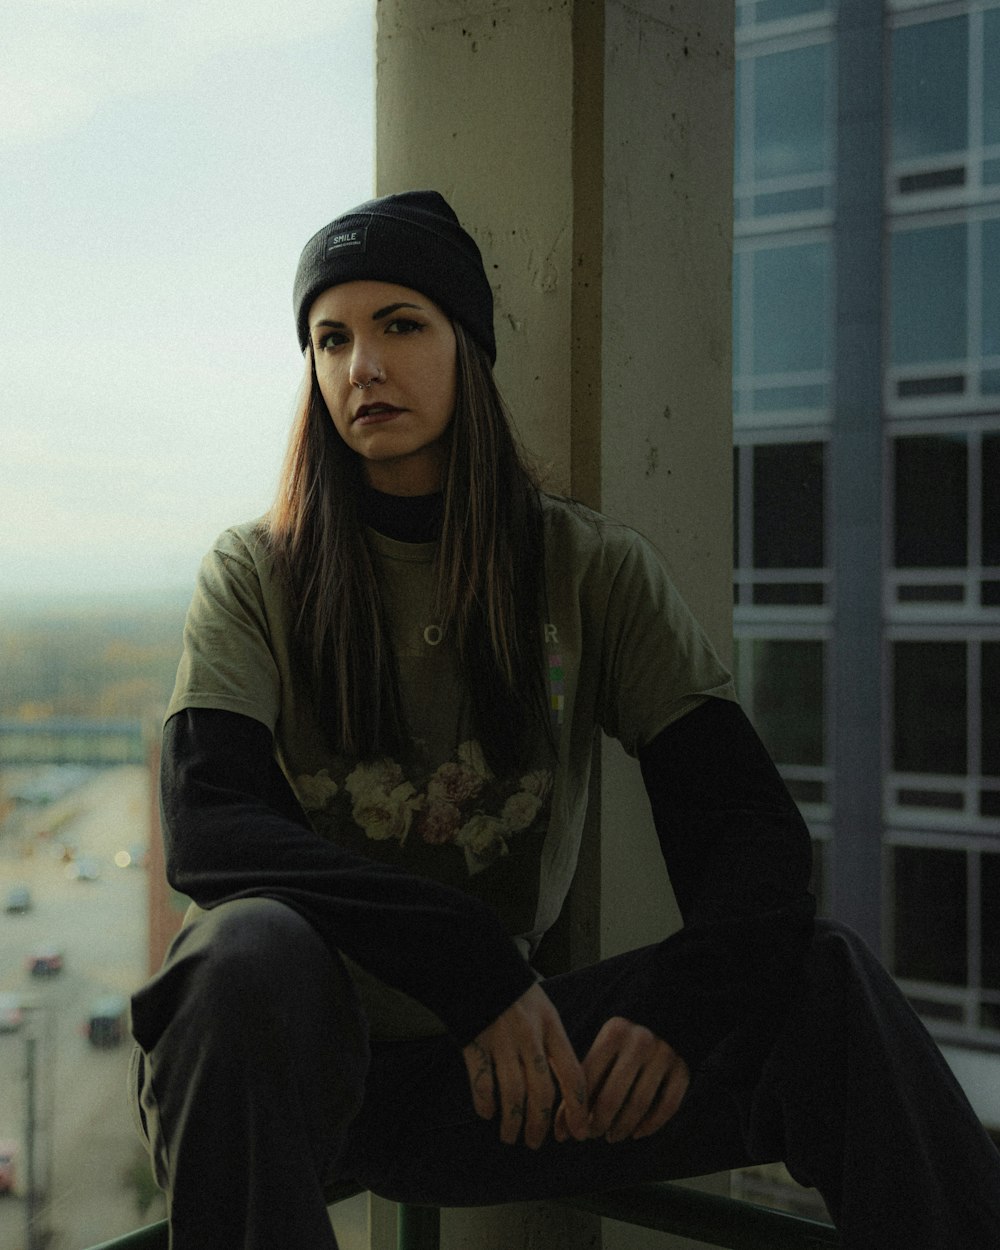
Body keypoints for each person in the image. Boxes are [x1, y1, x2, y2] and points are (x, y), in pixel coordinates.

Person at [128, 190, 1000, 1249]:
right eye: (331, 336)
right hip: (300, 1086)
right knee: (238, 953)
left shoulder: (588, 571)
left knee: (828, 983)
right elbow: (212, 824)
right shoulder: (255, 571)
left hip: (513, 1081)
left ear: (468, 346)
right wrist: (474, 967)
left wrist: (680, 1003)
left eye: (401, 324)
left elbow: (750, 835)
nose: (362, 364)